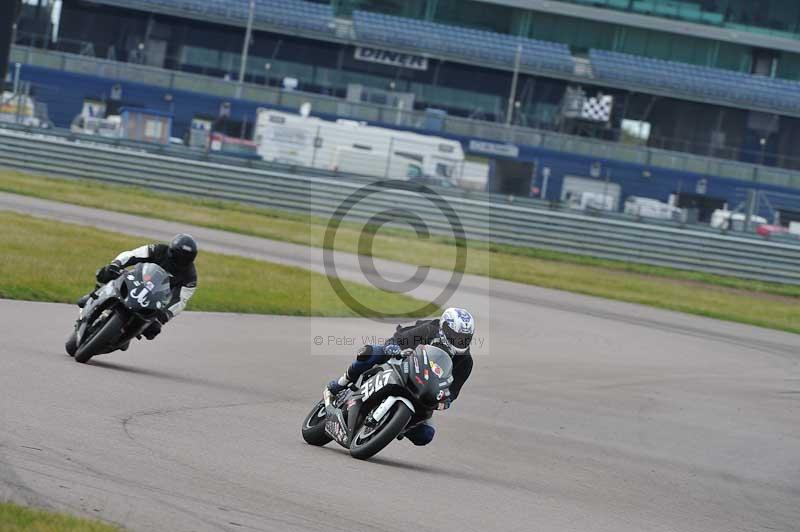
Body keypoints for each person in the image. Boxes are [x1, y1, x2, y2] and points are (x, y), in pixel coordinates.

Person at [326, 307, 475, 446]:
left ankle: (395, 425)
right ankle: (341, 383)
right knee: (372, 352)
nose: (459, 341)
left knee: (426, 435)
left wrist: (444, 401)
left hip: (423, 391)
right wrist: (394, 346)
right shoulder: (430, 329)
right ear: (444, 328)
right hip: (403, 364)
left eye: (464, 338)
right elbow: (401, 339)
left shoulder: (465, 361)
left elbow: (453, 391)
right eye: (456, 335)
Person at [77, 234, 198, 343]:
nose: (180, 261)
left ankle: (127, 333)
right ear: (171, 251)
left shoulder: (190, 276)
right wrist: (117, 264)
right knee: (106, 272)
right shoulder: (159, 249)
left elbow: (180, 300)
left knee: (153, 329)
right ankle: (94, 294)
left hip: (155, 299)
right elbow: (134, 254)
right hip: (136, 279)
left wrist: (164, 316)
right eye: (178, 256)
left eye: (185, 259)